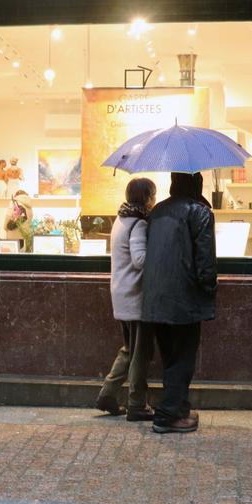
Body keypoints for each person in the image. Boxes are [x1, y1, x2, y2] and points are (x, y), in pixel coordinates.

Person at [141, 172, 217, 434]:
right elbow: (205, 259)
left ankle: (178, 408)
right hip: (184, 296)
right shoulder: (200, 211)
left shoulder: (158, 210)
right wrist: (208, 288)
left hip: (155, 296)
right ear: (197, 183)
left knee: (170, 356)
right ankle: (168, 416)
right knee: (183, 358)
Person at [96, 178, 157, 421]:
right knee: (141, 352)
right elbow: (140, 260)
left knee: (130, 349)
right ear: (146, 197)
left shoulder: (121, 219)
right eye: (153, 195)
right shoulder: (138, 224)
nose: (154, 200)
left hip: (121, 293)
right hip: (135, 296)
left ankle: (107, 395)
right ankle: (137, 404)